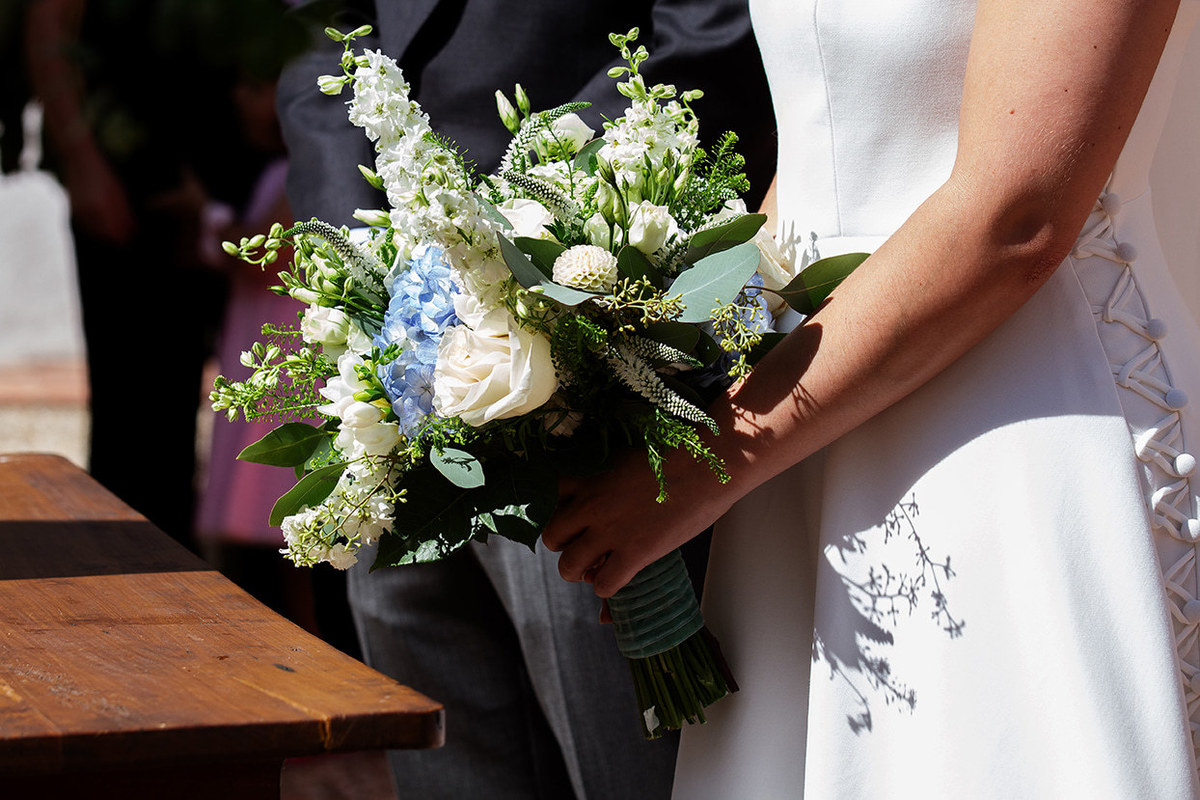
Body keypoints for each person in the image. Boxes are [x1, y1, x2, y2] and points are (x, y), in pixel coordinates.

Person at [543, 0, 1200, 795]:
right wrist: (642, 379)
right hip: (799, 446)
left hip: (1029, 438)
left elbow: (1017, 217)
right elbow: (824, 154)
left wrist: (705, 464)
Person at [275, 1, 776, 798]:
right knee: (444, 755)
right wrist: (379, 272)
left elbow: (709, 36)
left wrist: (527, 241)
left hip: (588, 325)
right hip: (396, 341)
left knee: (628, 755)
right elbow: (322, 35)